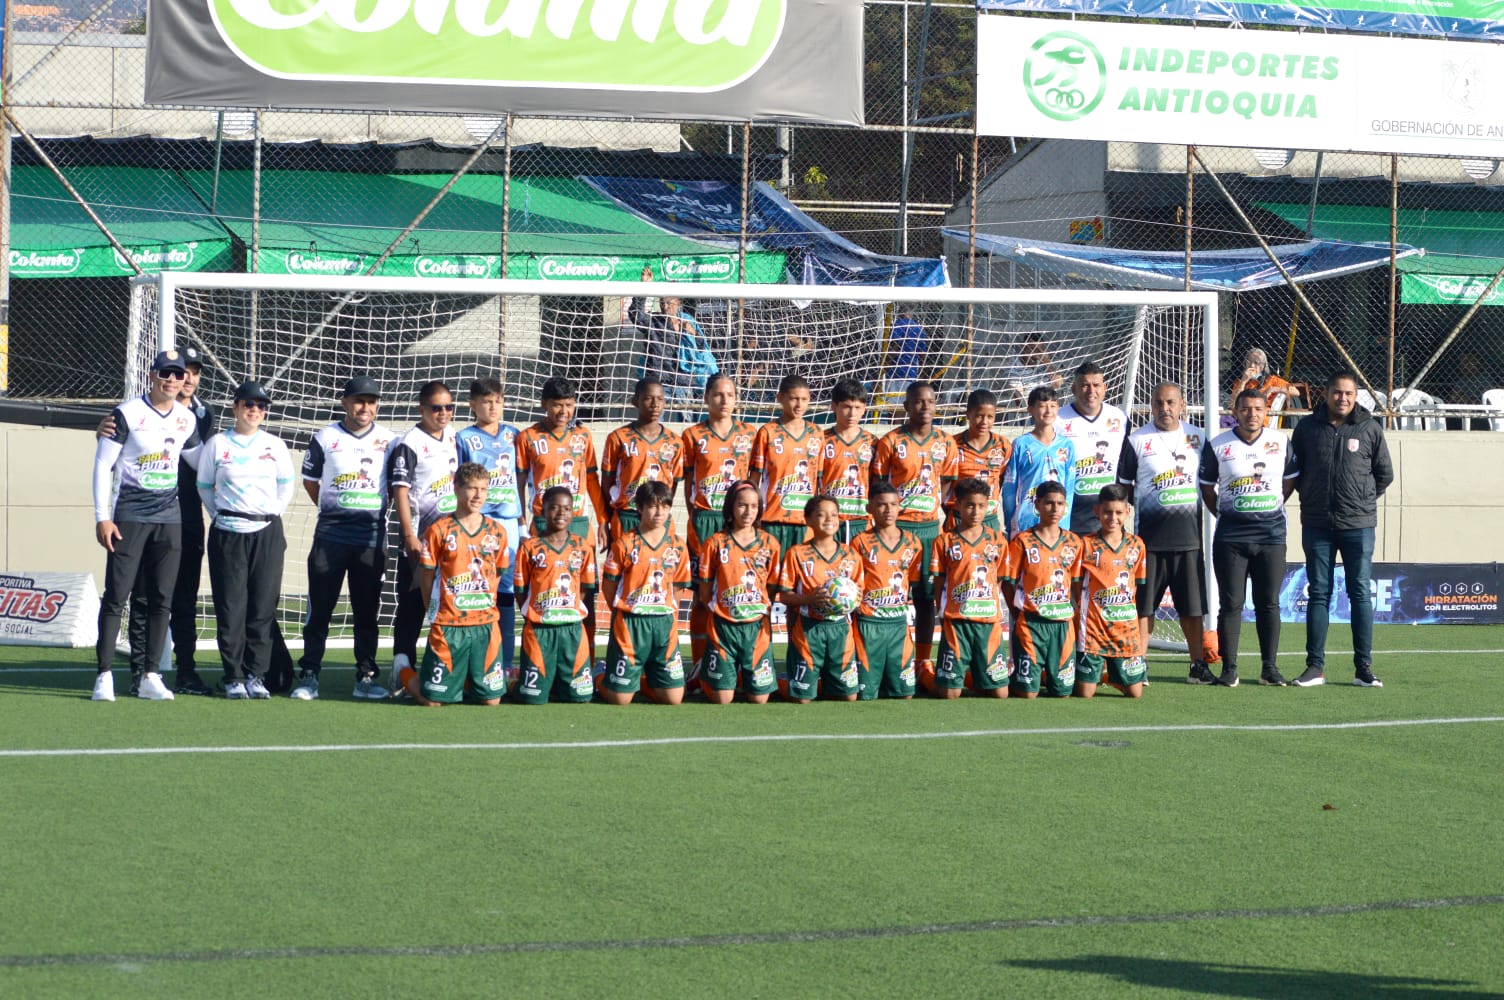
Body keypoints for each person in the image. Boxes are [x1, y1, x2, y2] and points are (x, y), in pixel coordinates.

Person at [90, 349, 204, 702]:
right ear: (152, 376)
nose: (172, 381)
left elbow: (203, 461)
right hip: (129, 517)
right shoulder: (126, 414)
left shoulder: (187, 418)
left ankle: (150, 675)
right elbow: (101, 466)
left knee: (161, 599)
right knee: (116, 597)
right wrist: (102, 517)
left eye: (178, 375)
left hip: (169, 520)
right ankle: (104, 675)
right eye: (165, 374)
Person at [1288, 370, 1394, 688]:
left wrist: (1358, 499)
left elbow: (1384, 474)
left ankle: (1363, 668)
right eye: (1337, 392)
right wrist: (1312, 496)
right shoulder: (1306, 428)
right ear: (1326, 393)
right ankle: (1314, 668)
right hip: (1317, 524)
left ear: (1356, 395)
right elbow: (1295, 471)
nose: (1343, 398)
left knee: (1359, 592)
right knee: (1319, 593)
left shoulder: (1370, 428)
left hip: (1358, 525)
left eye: (1348, 393)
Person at [295, 375, 396, 701]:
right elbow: (311, 482)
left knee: (367, 611)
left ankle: (365, 676)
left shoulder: (390, 441)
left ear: (377, 405)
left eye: (370, 401)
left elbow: (398, 487)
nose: (364, 407)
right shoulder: (325, 438)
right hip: (331, 537)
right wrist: (335, 508)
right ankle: (309, 673)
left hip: (370, 538)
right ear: (345, 403)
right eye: (358, 401)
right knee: (320, 609)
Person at [194, 381, 297, 699]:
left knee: (263, 606)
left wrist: (269, 515)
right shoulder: (217, 445)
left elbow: (286, 486)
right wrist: (223, 515)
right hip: (228, 534)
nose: (254, 411)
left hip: (266, 533)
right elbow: (205, 486)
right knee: (231, 606)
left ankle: (257, 675)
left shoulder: (274, 445)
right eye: (248, 405)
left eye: (261, 406)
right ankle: (234, 676)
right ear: (236, 407)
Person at [1199, 390, 1300, 689]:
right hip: (1230, 537)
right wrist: (1227, 513)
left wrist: (1270, 506)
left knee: (1268, 604)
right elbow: (1207, 488)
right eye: (1245, 408)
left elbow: (1290, 480)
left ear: (1266, 411)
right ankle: (1229, 669)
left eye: (1258, 408)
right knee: (1231, 605)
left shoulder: (1281, 441)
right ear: (1236, 410)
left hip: (1271, 535)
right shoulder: (1218, 445)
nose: (1252, 414)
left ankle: (1269, 668)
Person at [1118, 382, 1214, 685]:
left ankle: (1198, 665)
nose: (1165, 409)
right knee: (1145, 607)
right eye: (1159, 403)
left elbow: (1211, 484)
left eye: (1171, 403)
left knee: (1192, 608)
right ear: (1151, 405)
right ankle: (1139, 665)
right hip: (1149, 543)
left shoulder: (1198, 438)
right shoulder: (1136, 440)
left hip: (1189, 541)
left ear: (1182, 404)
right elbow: (1123, 488)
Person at [402, 462, 512, 707]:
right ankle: (403, 672)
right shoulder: (439, 530)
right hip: (449, 624)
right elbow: (427, 576)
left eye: (483, 489)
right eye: (472, 488)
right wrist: (434, 610)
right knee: (433, 702)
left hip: (484, 625)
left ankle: (464, 679)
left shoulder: (497, 531)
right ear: (457, 489)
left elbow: (498, 574)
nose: (478, 495)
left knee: (492, 701)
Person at [871, 380, 956, 669]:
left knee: (924, 598)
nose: (925, 406)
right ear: (906, 406)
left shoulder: (946, 442)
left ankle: (921, 661)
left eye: (930, 401)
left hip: (930, 530)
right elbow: (879, 485)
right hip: (898, 530)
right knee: (891, 595)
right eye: (919, 401)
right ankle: (888, 657)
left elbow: (947, 486)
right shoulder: (891, 441)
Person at [517, 376, 607, 644]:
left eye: (569, 405)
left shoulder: (583, 436)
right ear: (544, 404)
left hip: (579, 523)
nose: (563, 412)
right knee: (543, 595)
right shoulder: (528, 438)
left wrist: (602, 520)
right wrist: (522, 524)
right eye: (557, 405)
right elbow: (518, 485)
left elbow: (592, 480)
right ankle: (540, 654)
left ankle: (585, 663)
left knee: (585, 596)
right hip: (542, 527)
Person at [681, 374, 755, 674]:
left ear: (737, 399)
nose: (724, 401)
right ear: (706, 398)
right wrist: (696, 517)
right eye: (718, 395)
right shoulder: (692, 435)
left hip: (737, 523)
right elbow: (687, 484)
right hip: (704, 520)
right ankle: (700, 661)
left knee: (736, 590)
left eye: (730, 395)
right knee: (702, 596)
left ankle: (738, 662)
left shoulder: (749, 433)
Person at [387, 381, 459, 689]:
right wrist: (408, 535)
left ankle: (445, 666)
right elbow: (400, 491)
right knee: (413, 603)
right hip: (421, 538)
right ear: (422, 409)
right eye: (436, 408)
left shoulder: (455, 437)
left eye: (448, 407)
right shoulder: (410, 443)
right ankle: (402, 666)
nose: (443, 413)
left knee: (447, 602)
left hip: (451, 540)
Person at [455, 377, 524, 687]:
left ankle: (506, 662)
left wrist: (525, 519)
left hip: (510, 523)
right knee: (476, 589)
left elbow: (525, 479)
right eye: (486, 401)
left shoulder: (514, 435)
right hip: (476, 524)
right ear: (473, 405)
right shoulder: (464, 438)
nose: (493, 406)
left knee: (508, 594)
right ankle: (471, 659)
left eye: (498, 400)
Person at [599, 482, 692, 706]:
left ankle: (645, 681)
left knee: (674, 699)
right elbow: (608, 587)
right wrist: (626, 612)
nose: (658, 512)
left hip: (663, 624)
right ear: (639, 508)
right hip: (631, 623)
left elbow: (678, 587)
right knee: (619, 700)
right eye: (651, 506)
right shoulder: (624, 543)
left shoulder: (677, 545)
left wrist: (663, 610)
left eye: (664, 506)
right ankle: (599, 676)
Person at [920, 478, 1010, 699]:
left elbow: (998, 579)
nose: (976, 511)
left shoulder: (998, 540)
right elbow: (940, 582)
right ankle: (925, 677)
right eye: (969, 505)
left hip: (988, 622)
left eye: (981, 505)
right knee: (949, 694)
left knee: (1000, 694)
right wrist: (945, 610)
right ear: (957, 505)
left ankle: (975, 677)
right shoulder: (945, 541)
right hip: (957, 622)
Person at [697, 480, 780, 705]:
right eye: (742, 505)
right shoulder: (715, 543)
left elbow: (771, 586)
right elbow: (705, 591)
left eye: (754, 506)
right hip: (723, 626)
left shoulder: (770, 543)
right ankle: (710, 676)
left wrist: (757, 606)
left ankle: (747, 675)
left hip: (756, 627)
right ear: (731, 508)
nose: (748, 511)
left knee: (760, 699)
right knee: (722, 699)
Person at [513, 486, 598, 704]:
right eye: (554, 508)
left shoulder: (583, 547)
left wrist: (568, 606)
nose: (561, 513)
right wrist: (532, 613)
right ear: (543, 511)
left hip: (572, 629)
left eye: (567, 508)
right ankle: (515, 682)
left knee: (581, 697)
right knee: (532, 699)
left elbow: (587, 587)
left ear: (573, 512)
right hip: (540, 629)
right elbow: (520, 589)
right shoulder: (529, 547)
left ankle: (592, 676)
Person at [775, 495, 861, 703]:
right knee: (802, 699)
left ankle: (822, 682)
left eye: (834, 514)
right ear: (808, 520)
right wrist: (808, 599)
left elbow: (859, 594)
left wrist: (848, 600)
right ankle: (777, 683)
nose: (829, 519)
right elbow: (784, 596)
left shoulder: (851, 555)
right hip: (808, 629)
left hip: (840, 629)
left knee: (849, 696)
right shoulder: (797, 553)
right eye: (821, 515)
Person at [1002, 481, 1083, 699]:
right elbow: (1007, 582)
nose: (1055, 509)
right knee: (1027, 694)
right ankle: (999, 679)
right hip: (1031, 623)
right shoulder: (1023, 541)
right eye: (1049, 503)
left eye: (1059, 504)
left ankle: (1047, 674)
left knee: (1063, 693)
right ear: (1037, 505)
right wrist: (1015, 611)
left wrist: (1076, 614)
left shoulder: (1074, 542)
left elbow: (1076, 584)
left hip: (1062, 625)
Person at [848, 481, 923, 700]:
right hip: (868, 624)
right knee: (864, 695)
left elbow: (913, 582)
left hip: (898, 624)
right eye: (881, 505)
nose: (888, 510)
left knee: (906, 693)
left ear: (900, 507)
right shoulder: (860, 542)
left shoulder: (913, 543)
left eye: (893, 504)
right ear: (869, 508)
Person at [1075, 485, 1148, 698]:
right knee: (1085, 694)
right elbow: (1077, 584)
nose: (1112, 517)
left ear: (1127, 512)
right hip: (1093, 631)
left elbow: (1138, 585)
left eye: (1118, 512)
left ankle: (1111, 676)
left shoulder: (1137, 545)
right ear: (1097, 511)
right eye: (1107, 512)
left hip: (1125, 630)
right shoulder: (1086, 544)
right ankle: (1085, 675)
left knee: (1135, 693)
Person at [601, 377, 684, 546]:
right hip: (627, 515)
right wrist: (608, 520)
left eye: (660, 399)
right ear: (635, 402)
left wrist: (659, 506)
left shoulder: (675, 441)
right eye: (648, 398)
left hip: (658, 517)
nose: (655, 404)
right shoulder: (618, 438)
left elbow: (673, 483)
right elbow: (606, 482)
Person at [628, 268, 719, 414]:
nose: (665, 307)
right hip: (659, 380)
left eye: (669, 303)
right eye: (662, 303)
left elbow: (703, 349)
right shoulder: (654, 322)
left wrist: (693, 333)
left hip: (684, 380)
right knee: (655, 417)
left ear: (678, 302)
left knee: (687, 420)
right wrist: (644, 286)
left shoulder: (688, 322)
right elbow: (636, 315)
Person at [750, 374, 820, 556]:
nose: (799, 405)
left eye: (804, 399)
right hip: (772, 519)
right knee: (771, 577)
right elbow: (755, 478)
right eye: (793, 399)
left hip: (805, 522)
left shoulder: (816, 433)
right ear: (780, 398)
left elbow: (820, 480)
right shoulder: (767, 432)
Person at [1059, 361, 1129, 536]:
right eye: (1085, 385)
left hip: (1108, 518)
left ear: (1104, 388)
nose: (1091, 391)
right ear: (1074, 388)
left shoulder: (1119, 418)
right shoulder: (1057, 420)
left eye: (1096, 385)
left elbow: (1125, 465)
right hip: (1070, 517)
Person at [1001, 386, 1077, 536]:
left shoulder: (1067, 445)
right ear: (1030, 409)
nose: (1048, 411)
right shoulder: (1021, 444)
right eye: (1042, 406)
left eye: (1053, 406)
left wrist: (1065, 521)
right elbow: (1009, 489)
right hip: (1027, 521)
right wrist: (1010, 522)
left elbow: (1069, 486)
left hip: (1057, 524)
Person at [820, 378, 876, 543]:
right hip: (829, 519)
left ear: (864, 409)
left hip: (861, 519)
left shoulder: (873, 443)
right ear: (834, 406)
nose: (852, 414)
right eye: (846, 407)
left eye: (857, 408)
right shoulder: (821, 441)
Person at [949, 389, 1010, 531]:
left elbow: (1001, 478)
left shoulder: (1003, 445)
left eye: (990, 417)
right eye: (979, 416)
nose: (984, 422)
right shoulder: (952, 445)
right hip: (959, 519)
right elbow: (944, 485)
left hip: (989, 519)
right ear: (968, 415)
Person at [1231, 348, 1303, 423]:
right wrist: (1243, 381)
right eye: (1249, 362)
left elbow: (1296, 392)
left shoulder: (1272, 380)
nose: (1252, 365)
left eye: (1256, 363)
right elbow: (1233, 404)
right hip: (1243, 415)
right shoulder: (1239, 382)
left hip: (1263, 417)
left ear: (1263, 366)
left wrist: (1272, 389)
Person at [884, 304, 927, 398]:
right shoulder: (918, 329)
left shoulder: (898, 324)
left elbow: (896, 346)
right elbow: (922, 354)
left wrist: (885, 365)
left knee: (892, 405)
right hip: (911, 373)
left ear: (901, 313)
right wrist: (921, 372)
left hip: (896, 372)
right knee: (907, 403)